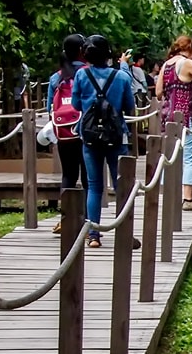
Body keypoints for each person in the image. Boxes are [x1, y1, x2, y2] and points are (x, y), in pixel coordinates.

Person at [70, 34, 135, 249]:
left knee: (95, 186)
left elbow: (77, 105)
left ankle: (93, 234)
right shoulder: (122, 78)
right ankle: (125, 233)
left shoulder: (81, 75)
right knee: (121, 186)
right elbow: (129, 107)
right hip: (116, 136)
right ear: (108, 54)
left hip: (89, 137)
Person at [155, 35, 192, 211]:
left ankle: (167, 194)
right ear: (190, 49)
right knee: (190, 156)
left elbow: (159, 92)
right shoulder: (187, 63)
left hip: (168, 116)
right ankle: (187, 198)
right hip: (185, 117)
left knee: (169, 156)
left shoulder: (166, 65)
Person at [47, 34, 90, 234]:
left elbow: (50, 109)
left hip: (64, 133)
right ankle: (89, 222)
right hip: (87, 132)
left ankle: (65, 219)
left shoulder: (56, 77)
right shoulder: (88, 73)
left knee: (68, 176)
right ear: (83, 51)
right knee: (89, 177)